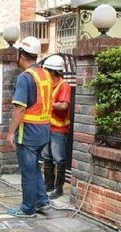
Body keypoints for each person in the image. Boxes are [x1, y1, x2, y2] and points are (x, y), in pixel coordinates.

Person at [5, 36, 53, 217]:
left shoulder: (25, 77)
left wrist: (10, 132)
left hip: (29, 132)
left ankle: (28, 209)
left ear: (21, 55)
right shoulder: (45, 74)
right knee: (35, 168)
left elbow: (20, 108)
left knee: (28, 171)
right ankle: (42, 201)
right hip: (44, 131)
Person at [41, 55, 71, 199]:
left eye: (46, 70)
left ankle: (59, 188)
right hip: (47, 127)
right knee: (47, 156)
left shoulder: (63, 85)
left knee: (58, 158)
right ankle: (48, 185)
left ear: (53, 71)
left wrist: (49, 105)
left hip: (59, 129)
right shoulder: (48, 85)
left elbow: (64, 105)